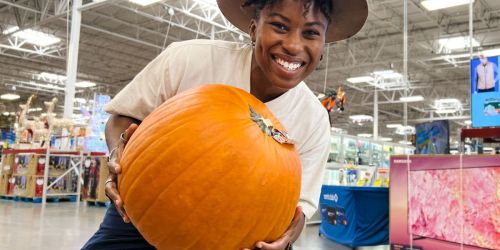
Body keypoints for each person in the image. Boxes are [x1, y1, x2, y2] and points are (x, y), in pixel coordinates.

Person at [82, 0, 367, 249]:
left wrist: (286, 237)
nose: (293, 45)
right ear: (254, 29)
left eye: (311, 33)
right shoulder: (189, 60)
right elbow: (123, 116)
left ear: (323, 44)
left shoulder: (313, 119)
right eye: (280, 26)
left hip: (231, 238)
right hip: (142, 214)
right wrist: (119, 153)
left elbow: (300, 206)